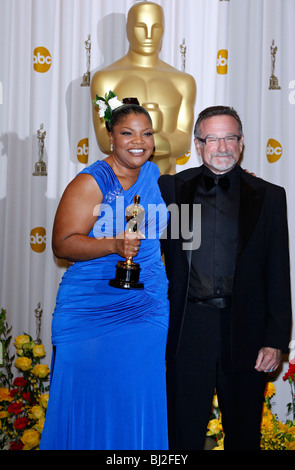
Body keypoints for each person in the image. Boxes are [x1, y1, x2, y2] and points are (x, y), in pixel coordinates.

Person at [159, 105, 292, 450]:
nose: (221, 147)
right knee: (181, 436)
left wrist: (276, 338)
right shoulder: (171, 189)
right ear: (198, 144)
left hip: (246, 331)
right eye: (212, 139)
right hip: (188, 328)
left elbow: (278, 271)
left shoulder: (270, 196)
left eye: (229, 138)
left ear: (242, 142)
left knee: (245, 435)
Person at [40, 97, 169, 450]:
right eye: (127, 133)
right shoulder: (91, 182)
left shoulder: (153, 176)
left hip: (147, 308)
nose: (138, 141)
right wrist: (113, 245)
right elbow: (63, 244)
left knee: (137, 399)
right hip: (93, 311)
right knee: (89, 404)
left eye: (146, 133)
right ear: (110, 137)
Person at [91, 1, 196, 175]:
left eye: (156, 28)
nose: (149, 35)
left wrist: (135, 139)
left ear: (163, 30)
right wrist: (151, 140)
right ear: (128, 29)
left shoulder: (183, 81)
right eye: (141, 27)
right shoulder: (106, 78)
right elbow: (104, 139)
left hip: (165, 185)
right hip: (120, 184)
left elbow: (184, 140)